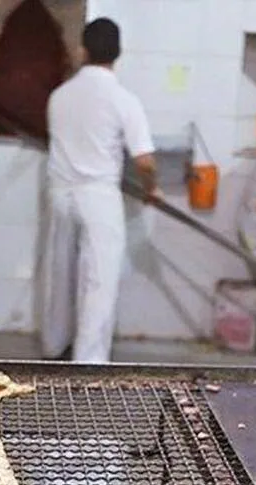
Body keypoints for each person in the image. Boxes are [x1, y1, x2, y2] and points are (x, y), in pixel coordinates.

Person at [41, 17, 157, 363]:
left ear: (83, 51)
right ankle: (88, 361)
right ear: (118, 53)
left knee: (59, 273)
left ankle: (53, 345)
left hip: (60, 193)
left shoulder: (59, 96)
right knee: (98, 281)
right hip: (97, 196)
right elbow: (145, 161)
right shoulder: (123, 99)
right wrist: (152, 189)